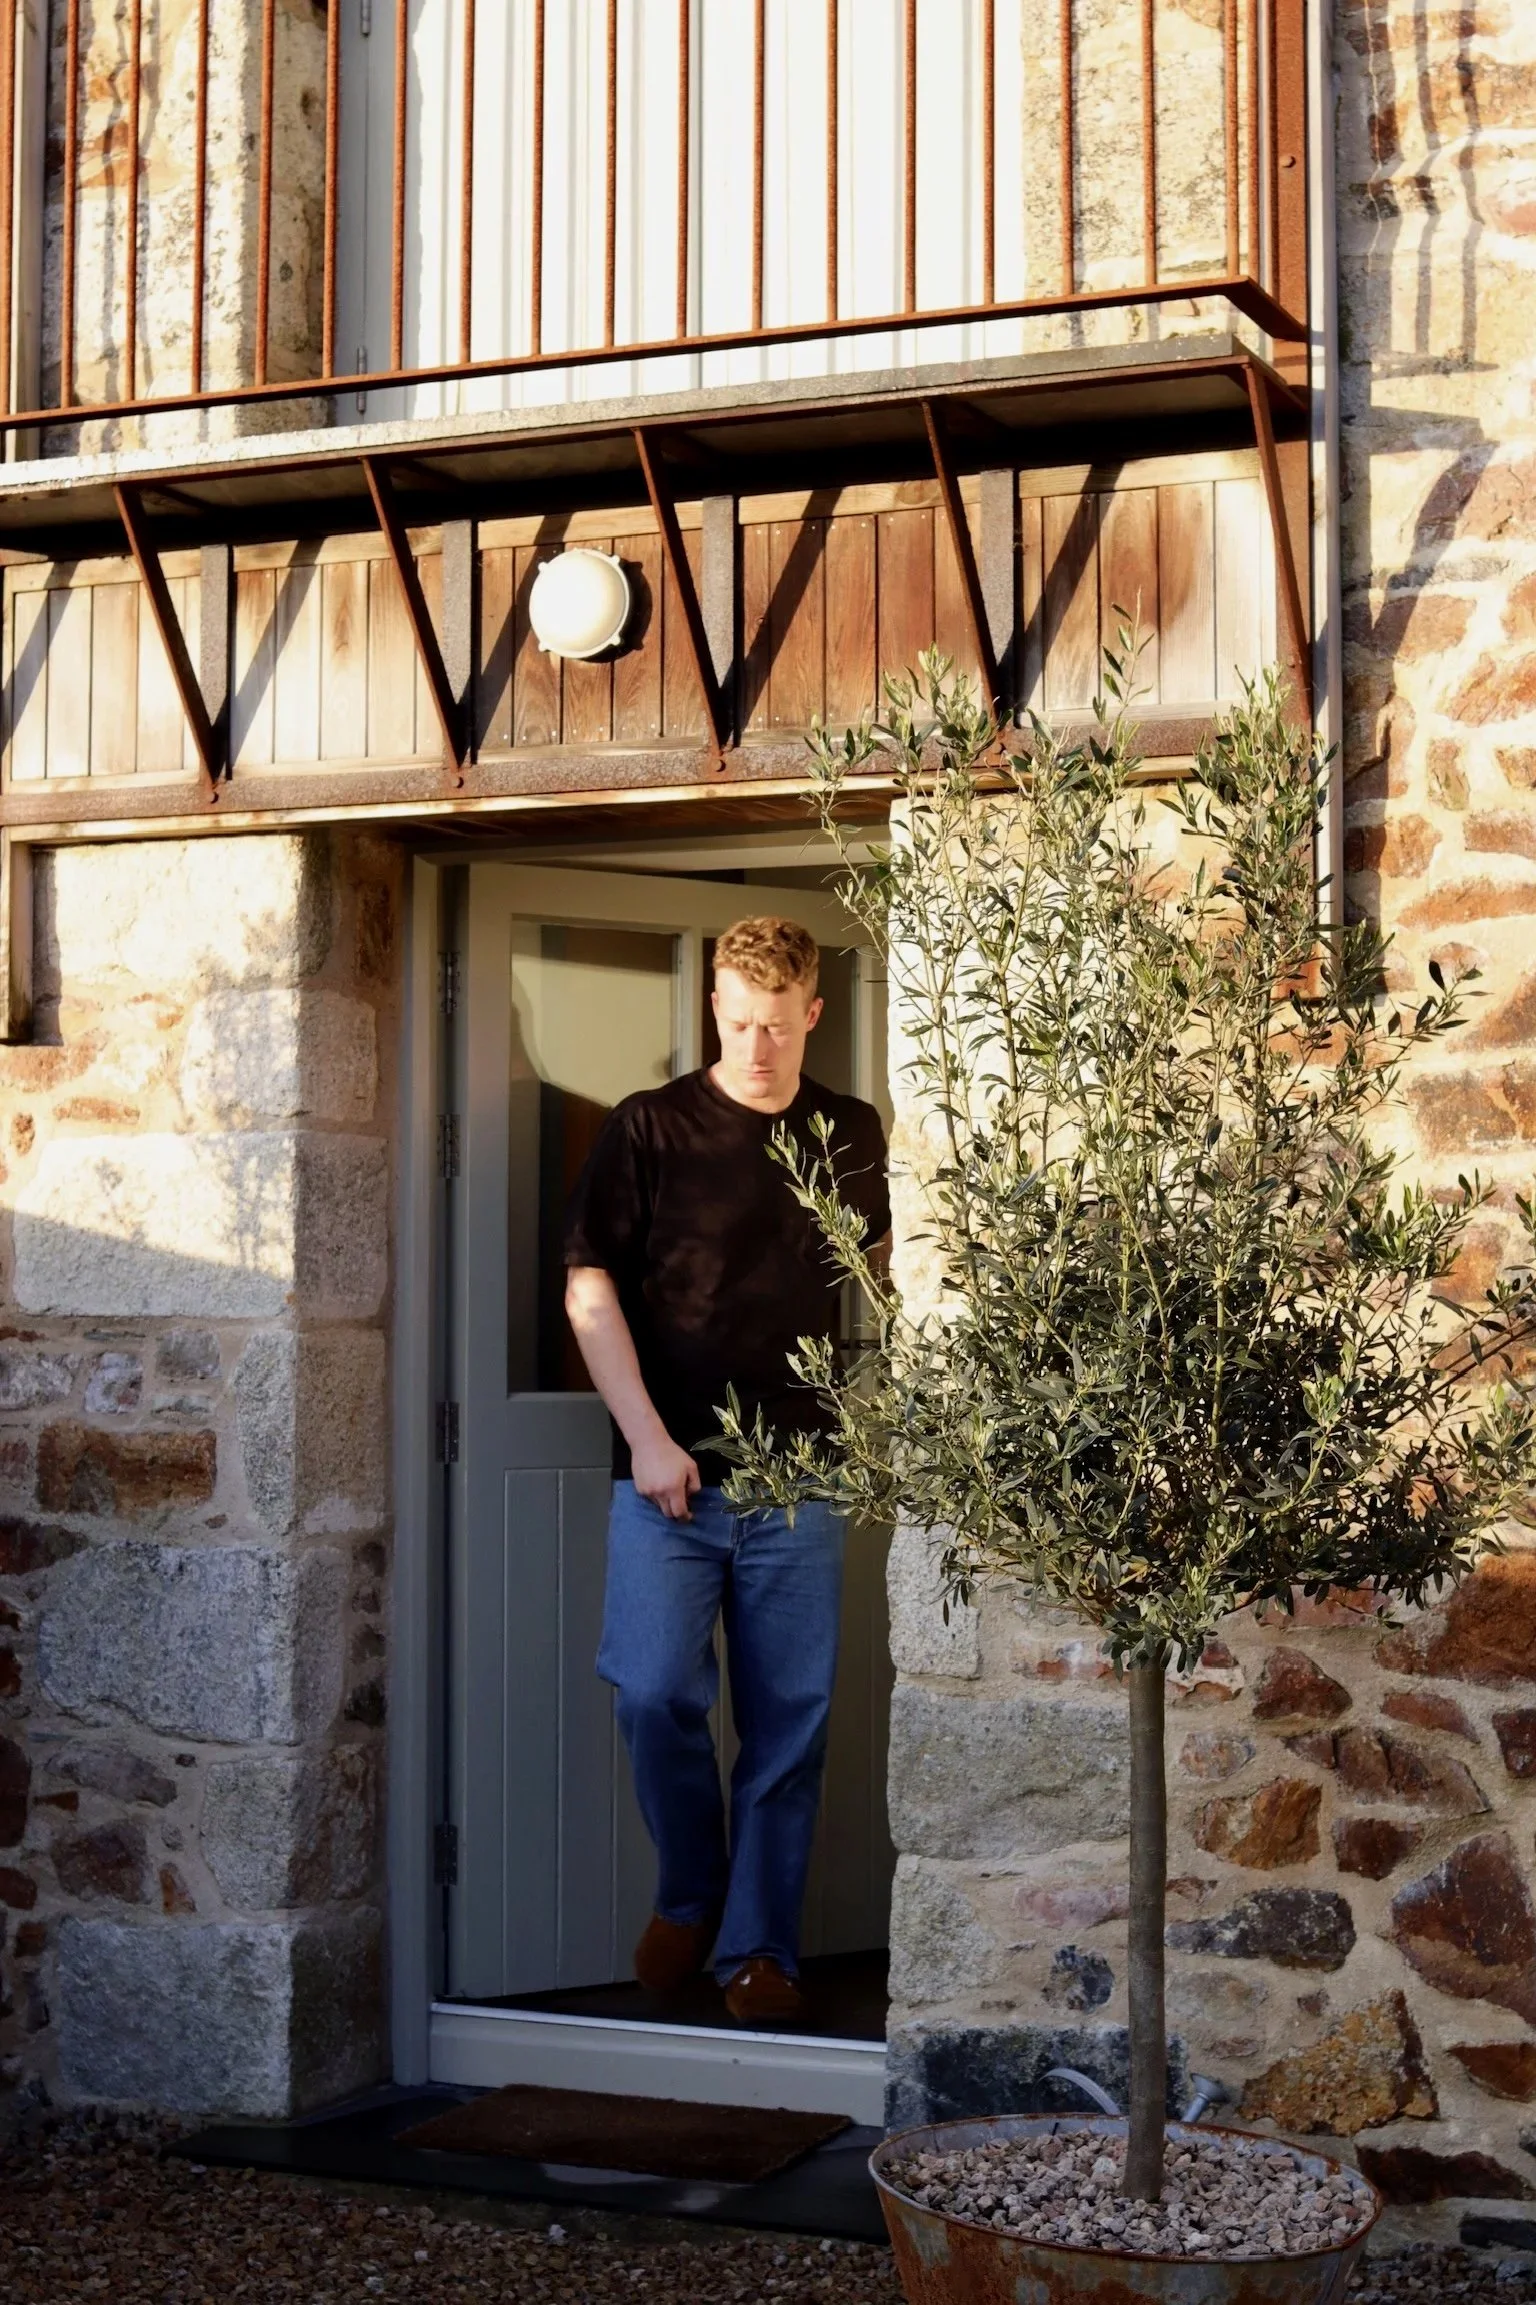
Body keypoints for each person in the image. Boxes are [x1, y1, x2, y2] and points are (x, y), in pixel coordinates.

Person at [563, 916, 890, 2025]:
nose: (757, 1047)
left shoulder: (849, 1130)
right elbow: (588, 1291)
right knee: (654, 1692)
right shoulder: (647, 1130)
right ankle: (692, 1893)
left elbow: (893, 1272)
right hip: (670, 1481)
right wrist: (649, 1436)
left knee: (788, 1723)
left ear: (813, 1013)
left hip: (801, 1479)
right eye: (739, 1023)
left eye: (777, 1025)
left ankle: (761, 1948)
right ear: (715, 1008)